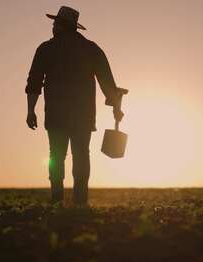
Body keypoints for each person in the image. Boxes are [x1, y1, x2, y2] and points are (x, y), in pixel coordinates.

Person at [25, 6, 127, 205]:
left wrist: (30, 110)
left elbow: (34, 82)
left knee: (56, 155)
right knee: (81, 154)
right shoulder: (91, 49)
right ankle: (80, 201)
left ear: (62, 25)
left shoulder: (46, 49)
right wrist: (116, 107)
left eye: (55, 23)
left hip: (56, 113)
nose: (53, 26)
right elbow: (107, 82)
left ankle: (57, 200)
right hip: (83, 114)